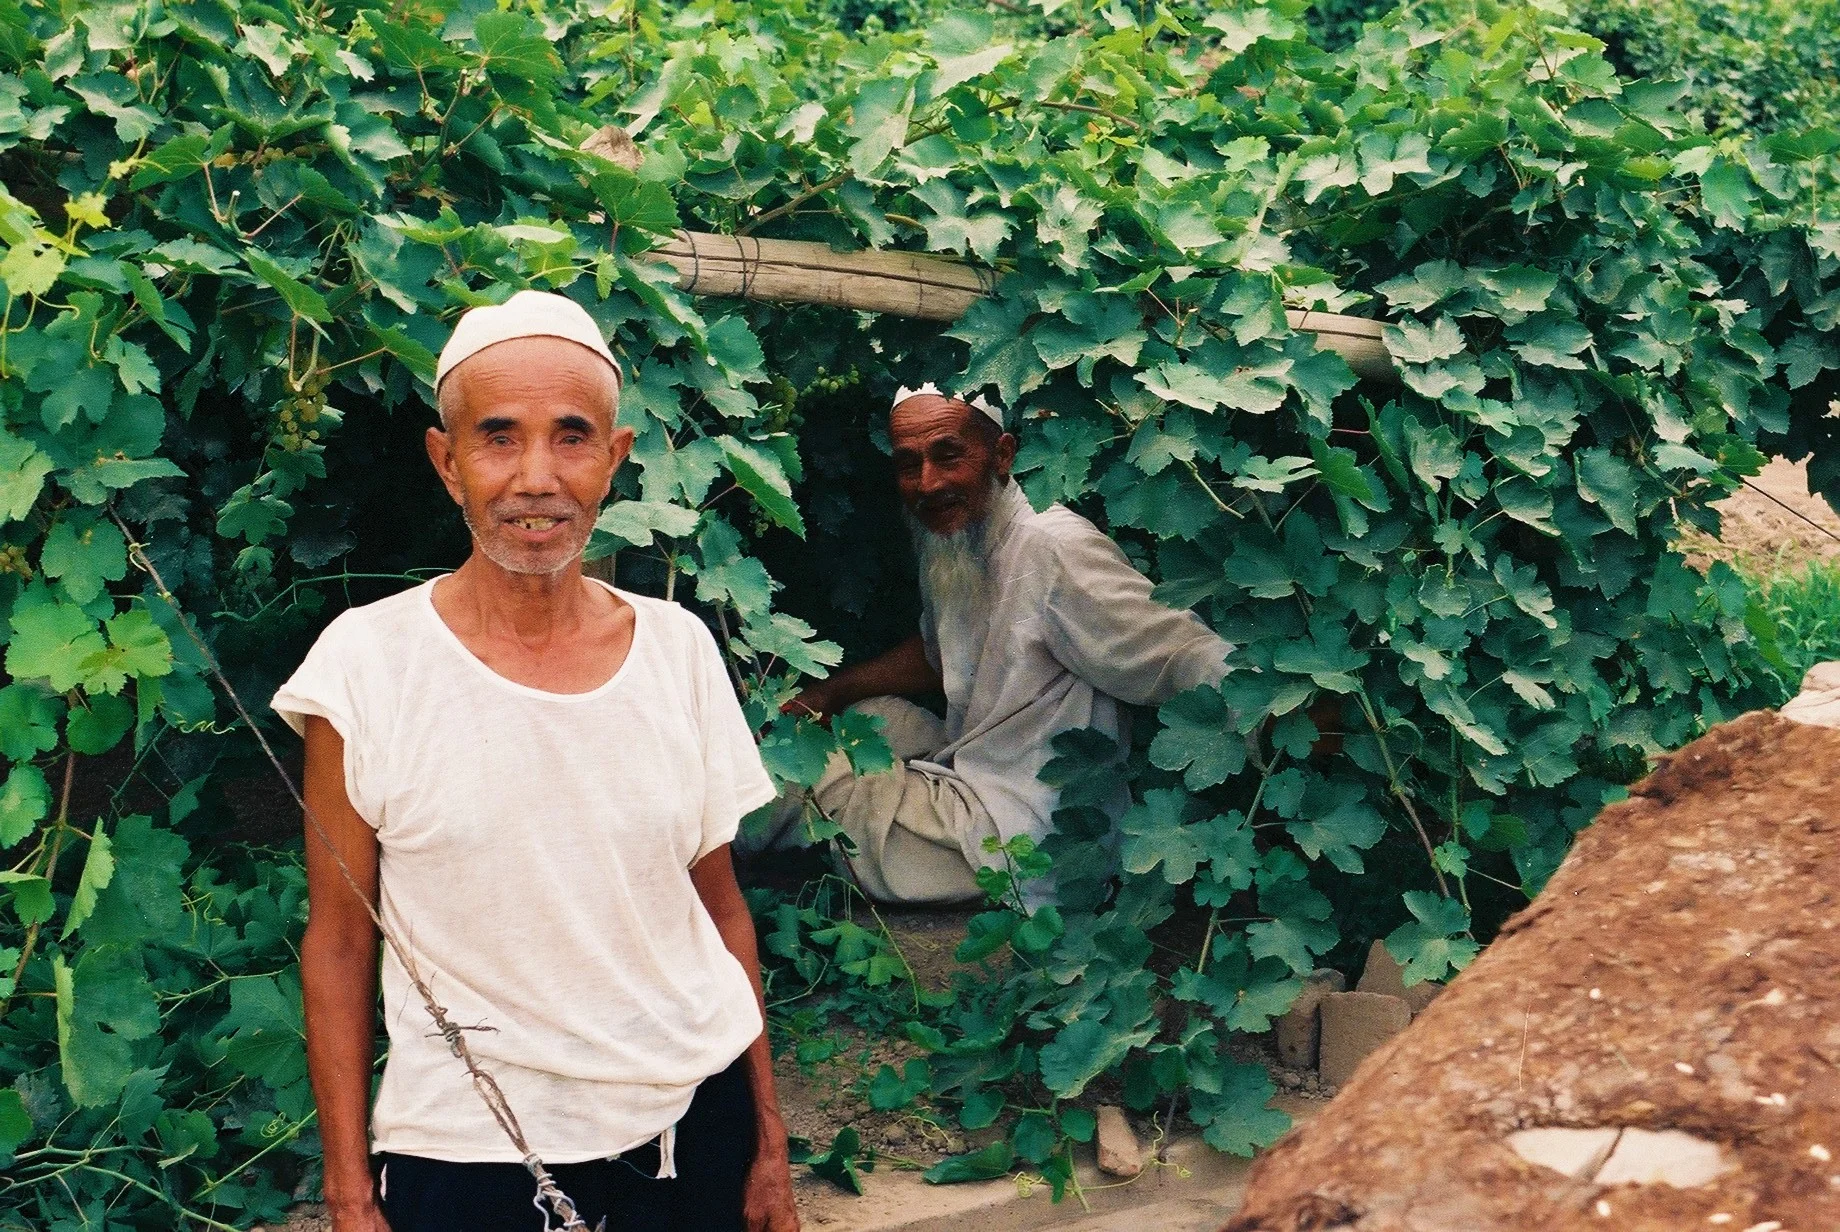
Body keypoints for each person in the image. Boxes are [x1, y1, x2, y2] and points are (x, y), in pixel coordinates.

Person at [272, 291, 800, 1232]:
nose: (535, 478)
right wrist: (349, 1194)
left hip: (692, 1125)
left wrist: (766, 1144)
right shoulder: (364, 668)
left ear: (614, 458)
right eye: (498, 437)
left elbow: (720, 909)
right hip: (470, 1150)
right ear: (448, 464)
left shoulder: (677, 650)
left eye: (571, 436)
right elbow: (341, 942)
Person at [764, 384, 1235, 906]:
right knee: (871, 717)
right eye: (908, 464)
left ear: (1003, 454)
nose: (927, 482)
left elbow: (1178, 652)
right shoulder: (957, 535)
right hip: (981, 770)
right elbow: (938, 652)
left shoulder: (1053, 547)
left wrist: (1285, 707)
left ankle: (700, 847)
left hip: (1029, 831)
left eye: (947, 455)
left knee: (814, 770)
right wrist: (831, 693)